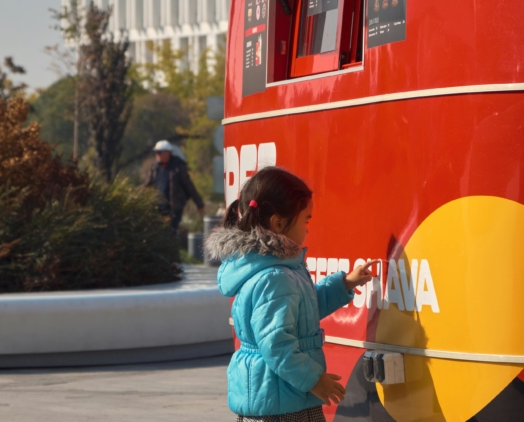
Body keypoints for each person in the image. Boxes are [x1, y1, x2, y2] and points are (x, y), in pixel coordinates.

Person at [204, 167, 376, 422]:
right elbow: (277, 345)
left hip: (279, 397)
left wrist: (345, 284)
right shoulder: (275, 278)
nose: (308, 229)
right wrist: (314, 381)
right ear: (278, 223)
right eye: (306, 219)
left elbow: (302, 312)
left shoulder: (272, 269)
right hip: (284, 405)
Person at [144, 140, 205, 235]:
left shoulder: (178, 166)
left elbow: (188, 185)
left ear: (167, 153)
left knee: (170, 231)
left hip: (174, 208)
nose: (157, 155)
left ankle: (171, 249)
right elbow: (147, 185)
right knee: (158, 233)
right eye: (156, 152)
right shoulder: (155, 167)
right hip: (158, 207)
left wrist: (199, 204)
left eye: (159, 152)